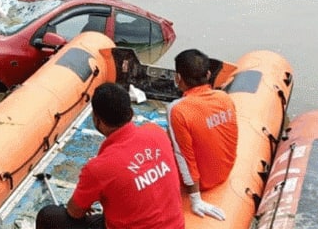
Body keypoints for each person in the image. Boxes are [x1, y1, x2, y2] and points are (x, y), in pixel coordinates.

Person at [36, 83, 184, 229]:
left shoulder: (98, 168)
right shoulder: (156, 132)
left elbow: (74, 212)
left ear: (97, 120)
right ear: (131, 113)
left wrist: (83, 203)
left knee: (48, 216)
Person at [167, 49, 238, 221]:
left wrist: (195, 199)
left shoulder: (177, 109)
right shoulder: (224, 97)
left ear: (178, 78)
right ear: (208, 74)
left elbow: (183, 156)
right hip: (224, 171)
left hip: (203, 182)